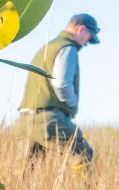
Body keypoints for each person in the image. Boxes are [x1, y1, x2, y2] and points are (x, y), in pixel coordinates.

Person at [17, 13, 99, 163]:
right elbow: (61, 84)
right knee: (84, 154)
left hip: (25, 119)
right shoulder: (68, 48)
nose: (87, 43)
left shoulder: (49, 47)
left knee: (27, 170)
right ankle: (82, 188)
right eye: (89, 37)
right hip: (47, 119)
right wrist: (73, 104)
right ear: (81, 29)